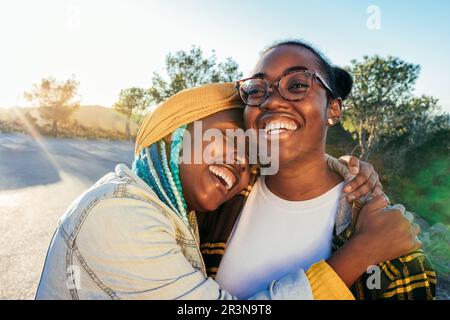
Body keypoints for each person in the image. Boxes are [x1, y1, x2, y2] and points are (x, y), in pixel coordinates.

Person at [36, 83, 417, 300]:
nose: (241, 164)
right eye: (229, 138)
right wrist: (362, 253)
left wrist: (353, 178)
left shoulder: (176, 210)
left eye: (252, 156)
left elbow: (298, 167)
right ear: (176, 137)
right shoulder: (120, 213)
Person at [198, 41, 436, 300]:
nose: (272, 101)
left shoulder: (389, 244)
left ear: (333, 109)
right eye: (257, 90)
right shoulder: (218, 198)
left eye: (298, 85)